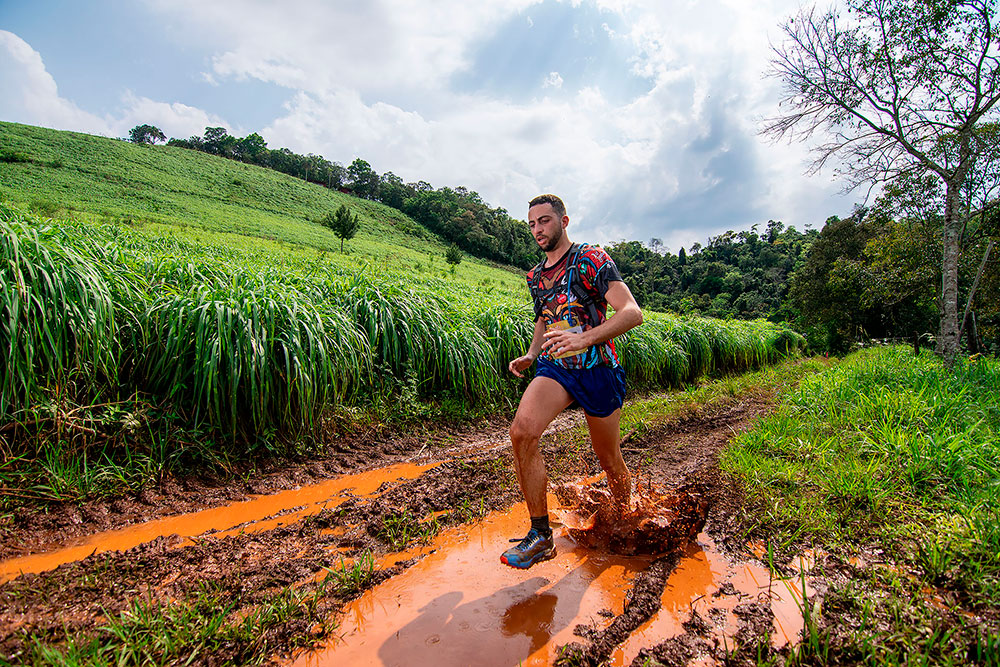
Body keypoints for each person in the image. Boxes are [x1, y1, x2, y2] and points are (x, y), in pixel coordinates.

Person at [501, 194, 643, 569]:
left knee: (609, 458)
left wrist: (585, 339)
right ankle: (540, 535)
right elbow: (544, 318)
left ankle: (625, 516)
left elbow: (632, 312)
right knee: (522, 432)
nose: (537, 230)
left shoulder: (591, 259)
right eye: (532, 224)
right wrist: (532, 353)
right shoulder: (535, 276)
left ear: (564, 221)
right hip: (556, 367)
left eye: (544, 221)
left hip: (598, 368)